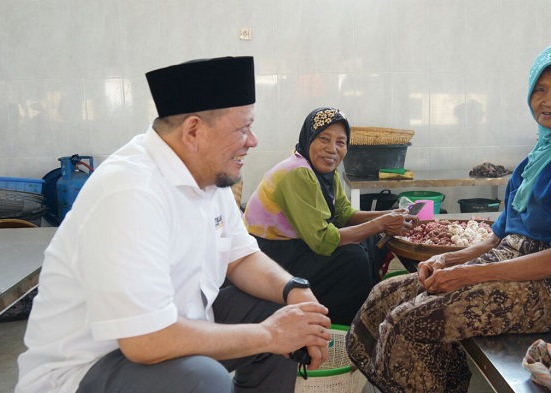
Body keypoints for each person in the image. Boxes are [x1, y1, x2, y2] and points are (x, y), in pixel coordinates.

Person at [16, 57, 331, 393]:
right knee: (201, 379)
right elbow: (146, 341)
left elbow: (240, 258)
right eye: (242, 128)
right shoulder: (130, 191)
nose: (252, 141)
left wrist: (295, 291)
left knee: (285, 315)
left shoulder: (210, 175)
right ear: (193, 130)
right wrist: (270, 334)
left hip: (174, 334)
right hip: (87, 369)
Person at [345, 42, 551, 392]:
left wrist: (467, 275)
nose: (548, 100)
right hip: (516, 260)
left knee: (413, 321)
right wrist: (449, 259)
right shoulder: (541, 154)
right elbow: (499, 236)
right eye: (540, 89)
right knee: (385, 296)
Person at [243, 107, 415, 325]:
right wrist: (381, 223)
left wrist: (389, 215)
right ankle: (347, 324)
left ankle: (366, 305)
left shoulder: (325, 171)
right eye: (324, 139)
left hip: (296, 245)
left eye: (340, 142)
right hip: (270, 256)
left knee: (370, 237)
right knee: (353, 258)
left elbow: (344, 213)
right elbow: (323, 240)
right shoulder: (298, 173)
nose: (332, 149)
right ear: (309, 139)